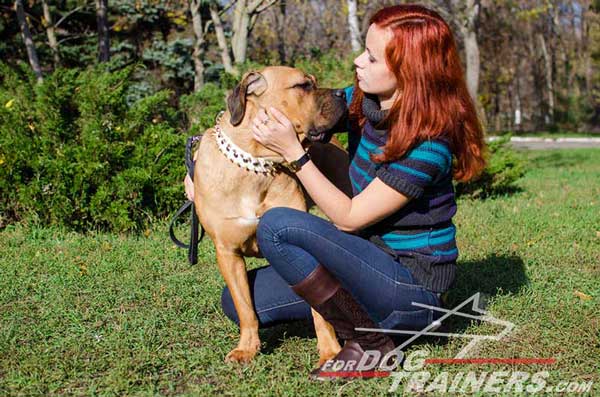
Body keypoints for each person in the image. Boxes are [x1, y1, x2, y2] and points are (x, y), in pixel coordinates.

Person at [184, 4, 486, 379]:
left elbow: (348, 218)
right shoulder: (362, 102)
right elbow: (285, 116)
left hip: (411, 288)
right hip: (361, 260)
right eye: (364, 49)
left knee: (278, 224)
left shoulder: (429, 144)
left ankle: (374, 345)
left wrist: (295, 155)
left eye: (372, 57)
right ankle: (351, 315)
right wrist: (205, 163)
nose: (358, 61)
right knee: (238, 301)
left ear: (409, 70)